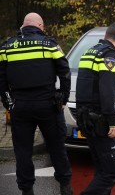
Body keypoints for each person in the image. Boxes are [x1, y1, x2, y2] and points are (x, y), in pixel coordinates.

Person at [0, 13, 73, 195]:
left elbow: (1, 79)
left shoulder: (7, 46)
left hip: (20, 106)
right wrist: (62, 98)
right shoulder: (49, 44)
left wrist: (7, 102)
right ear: (40, 26)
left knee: (23, 151)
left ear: (23, 26)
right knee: (56, 147)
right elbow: (65, 71)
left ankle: (27, 190)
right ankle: (65, 186)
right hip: (47, 105)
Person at [75, 22, 115, 195]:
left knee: (101, 169)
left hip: (85, 117)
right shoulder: (109, 55)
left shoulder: (90, 51)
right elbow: (106, 92)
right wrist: (113, 123)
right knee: (111, 172)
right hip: (99, 120)